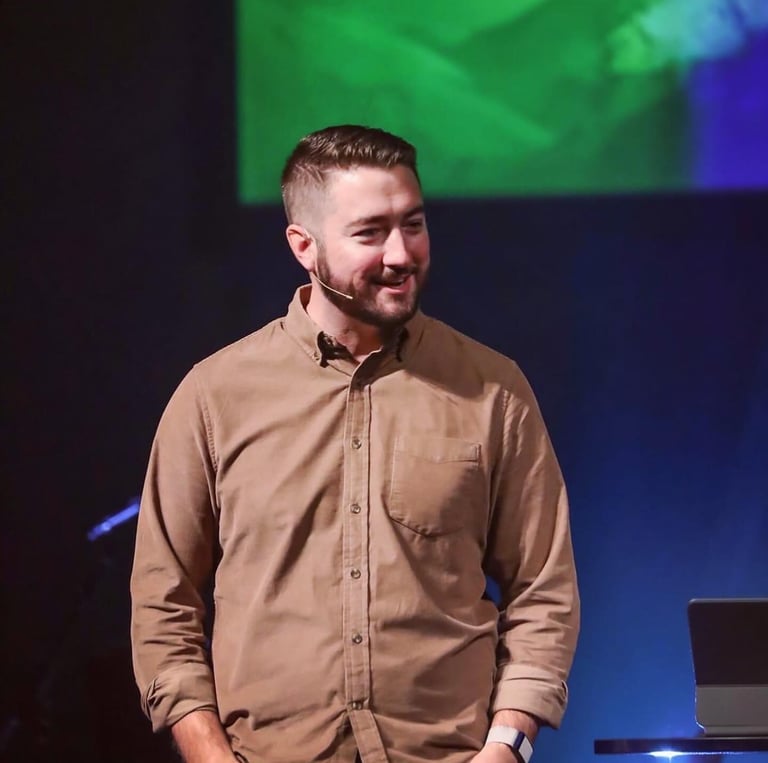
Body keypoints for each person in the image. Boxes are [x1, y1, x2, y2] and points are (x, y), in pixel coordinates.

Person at [130, 125, 579, 763]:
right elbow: (162, 605)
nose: (401, 254)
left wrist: (507, 746)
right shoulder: (214, 397)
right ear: (303, 246)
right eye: (370, 233)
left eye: (413, 224)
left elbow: (543, 590)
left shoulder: (492, 389)